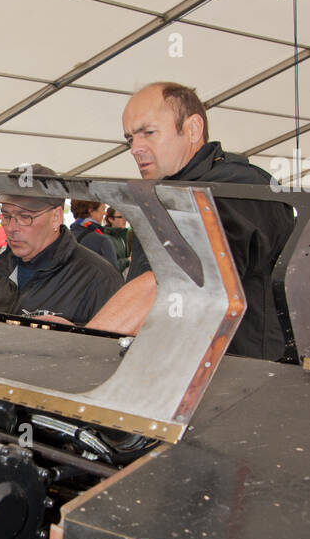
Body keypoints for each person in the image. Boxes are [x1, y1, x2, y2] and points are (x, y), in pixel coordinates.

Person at [89, 83, 295, 359]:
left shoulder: (238, 189)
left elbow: (174, 280)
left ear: (193, 129)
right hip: (176, 368)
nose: (135, 149)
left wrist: (86, 347)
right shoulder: (160, 195)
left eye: (148, 133)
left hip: (243, 379)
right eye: (129, 139)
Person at [0, 190, 122, 324]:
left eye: (25, 217)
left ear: (56, 217)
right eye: (6, 217)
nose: (11, 228)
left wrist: (73, 336)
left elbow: (111, 345)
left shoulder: (100, 280)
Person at [69, 199, 120, 271]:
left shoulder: (66, 237)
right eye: (103, 209)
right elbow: (114, 276)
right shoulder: (102, 241)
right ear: (91, 210)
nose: (105, 214)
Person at [103, 207, 132, 274]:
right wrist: (128, 260)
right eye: (121, 217)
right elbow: (109, 266)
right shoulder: (105, 239)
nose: (125, 219)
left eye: (125, 216)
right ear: (110, 219)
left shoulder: (124, 235)